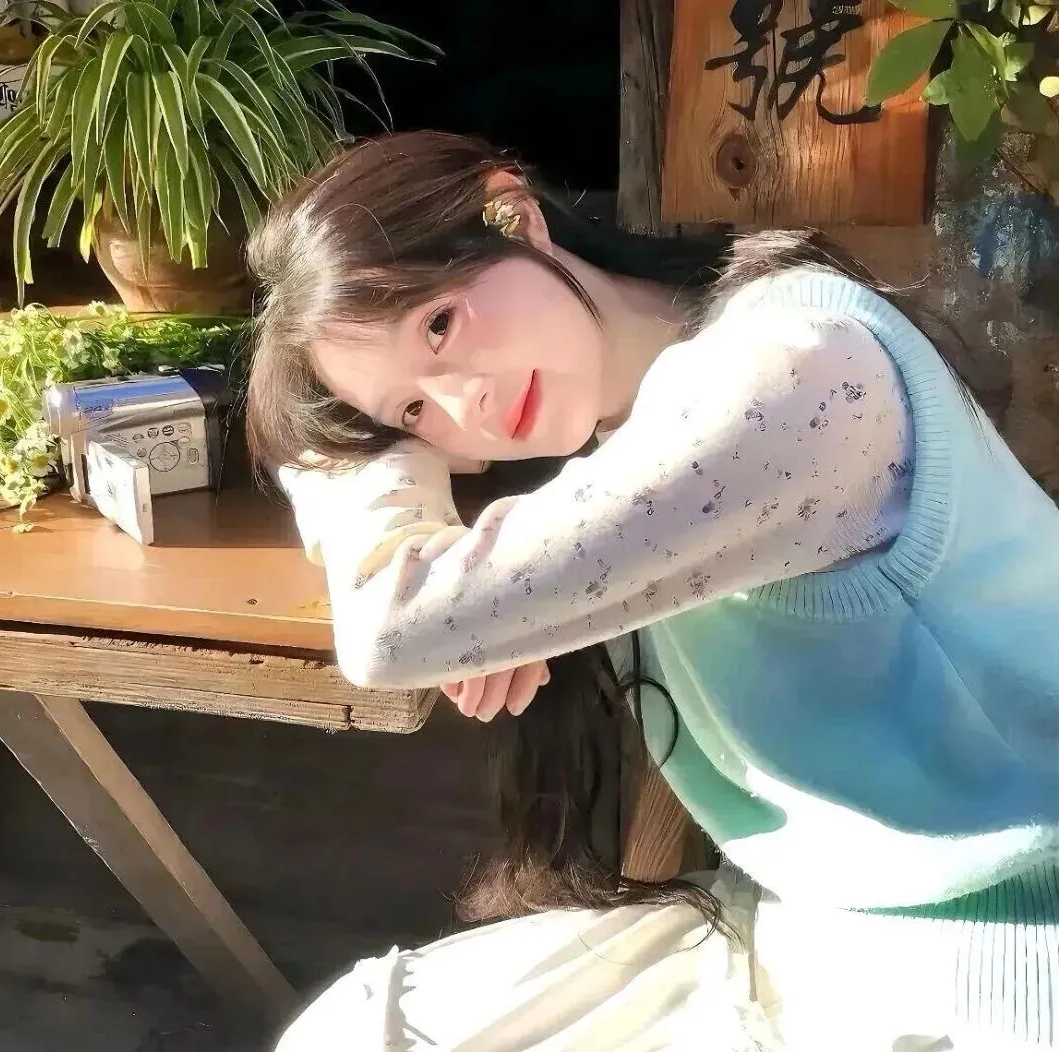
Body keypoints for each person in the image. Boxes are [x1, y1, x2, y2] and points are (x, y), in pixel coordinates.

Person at [248, 131, 1059, 1040]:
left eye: (439, 325)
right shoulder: (634, 423)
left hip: (1001, 954)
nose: (461, 404)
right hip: (824, 932)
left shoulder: (791, 371)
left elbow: (391, 628)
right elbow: (418, 609)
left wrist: (395, 508)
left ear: (512, 215)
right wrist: (482, 589)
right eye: (411, 411)